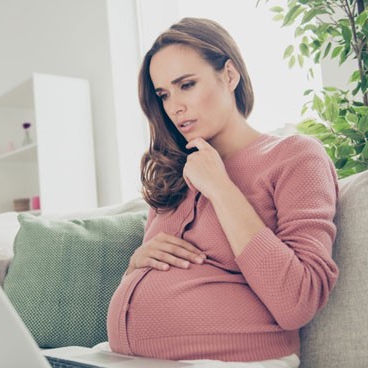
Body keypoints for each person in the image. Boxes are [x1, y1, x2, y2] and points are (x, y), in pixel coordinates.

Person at [105, 17, 339, 367]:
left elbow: (297, 300)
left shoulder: (295, 156)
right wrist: (135, 266)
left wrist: (220, 187)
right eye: (164, 94)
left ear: (229, 75)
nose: (174, 107)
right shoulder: (173, 174)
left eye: (187, 85)